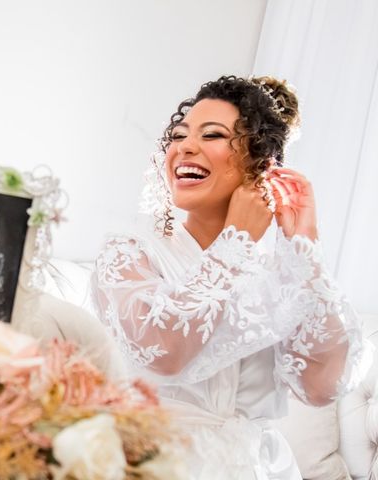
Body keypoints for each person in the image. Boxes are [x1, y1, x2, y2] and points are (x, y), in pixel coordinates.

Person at [91, 75, 370, 479]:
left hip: (260, 467)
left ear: (261, 164)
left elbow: (321, 386)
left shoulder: (277, 274)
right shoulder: (129, 253)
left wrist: (305, 247)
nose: (186, 146)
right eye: (179, 134)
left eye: (213, 135)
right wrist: (233, 243)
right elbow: (163, 348)